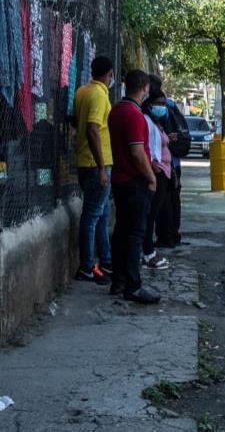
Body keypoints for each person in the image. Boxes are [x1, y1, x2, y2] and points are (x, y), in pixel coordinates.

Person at [107, 70, 160, 304]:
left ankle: (118, 280)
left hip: (120, 178)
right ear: (145, 87)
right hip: (134, 180)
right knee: (135, 234)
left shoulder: (116, 110)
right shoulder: (134, 115)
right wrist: (151, 178)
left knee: (121, 231)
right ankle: (133, 285)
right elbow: (138, 153)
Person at [73, 56, 115, 285]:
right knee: (91, 216)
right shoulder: (99, 95)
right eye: (111, 76)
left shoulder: (82, 91)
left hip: (87, 161)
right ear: (108, 74)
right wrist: (101, 168)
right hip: (95, 163)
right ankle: (87, 266)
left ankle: (105, 261)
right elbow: (92, 129)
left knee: (101, 214)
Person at [149, 75, 190, 247]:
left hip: (164, 165)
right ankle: (173, 235)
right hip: (173, 164)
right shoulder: (171, 106)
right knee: (173, 201)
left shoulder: (153, 109)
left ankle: (166, 237)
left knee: (163, 203)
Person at [142, 89, 174, 270]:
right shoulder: (147, 121)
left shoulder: (156, 122)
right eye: (159, 103)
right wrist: (153, 170)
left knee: (152, 214)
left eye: (164, 104)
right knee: (150, 215)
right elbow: (146, 147)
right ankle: (147, 252)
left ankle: (149, 251)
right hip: (156, 172)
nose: (162, 107)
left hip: (162, 171)